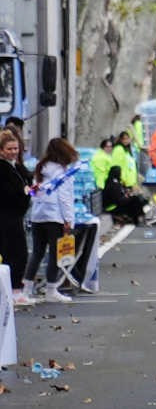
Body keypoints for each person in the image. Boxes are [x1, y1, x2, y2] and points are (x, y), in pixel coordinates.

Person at [23, 138, 81, 304]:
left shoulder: (41, 167)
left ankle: (26, 289)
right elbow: (65, 197)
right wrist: (68, 219)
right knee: (56, 254)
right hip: (55, 216)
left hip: (38, 215)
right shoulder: (62, 172)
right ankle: (51, 289)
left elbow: (34, 193)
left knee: (37, 253)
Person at [1, 130, 32, 305]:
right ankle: (12, 290)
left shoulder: (16, 166)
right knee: (13, 253)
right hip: (6, 217)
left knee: (19, 252)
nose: (13, 152)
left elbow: (27, 179)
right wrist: (25, 193)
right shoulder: (3, 169)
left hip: (16, 216)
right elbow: (9, 194)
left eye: (16, 148)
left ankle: (16, 288)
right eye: (9, 149)